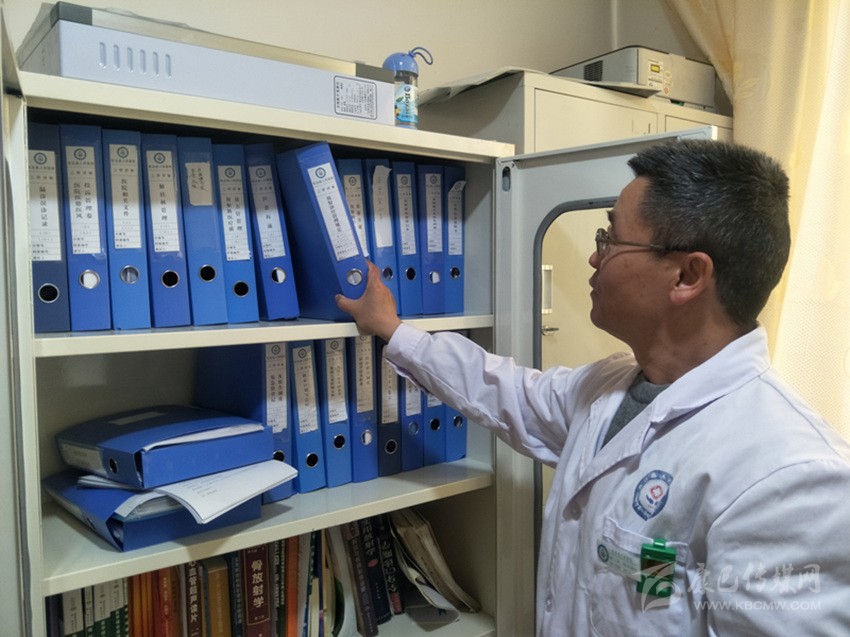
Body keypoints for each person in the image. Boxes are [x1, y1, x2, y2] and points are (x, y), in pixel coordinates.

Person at [336, 139, 850, 636]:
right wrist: (392, 329)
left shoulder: (790, 479)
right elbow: (506, 391)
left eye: (610, 239)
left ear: (687, 276)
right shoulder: (611, 386)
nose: (593, 258)